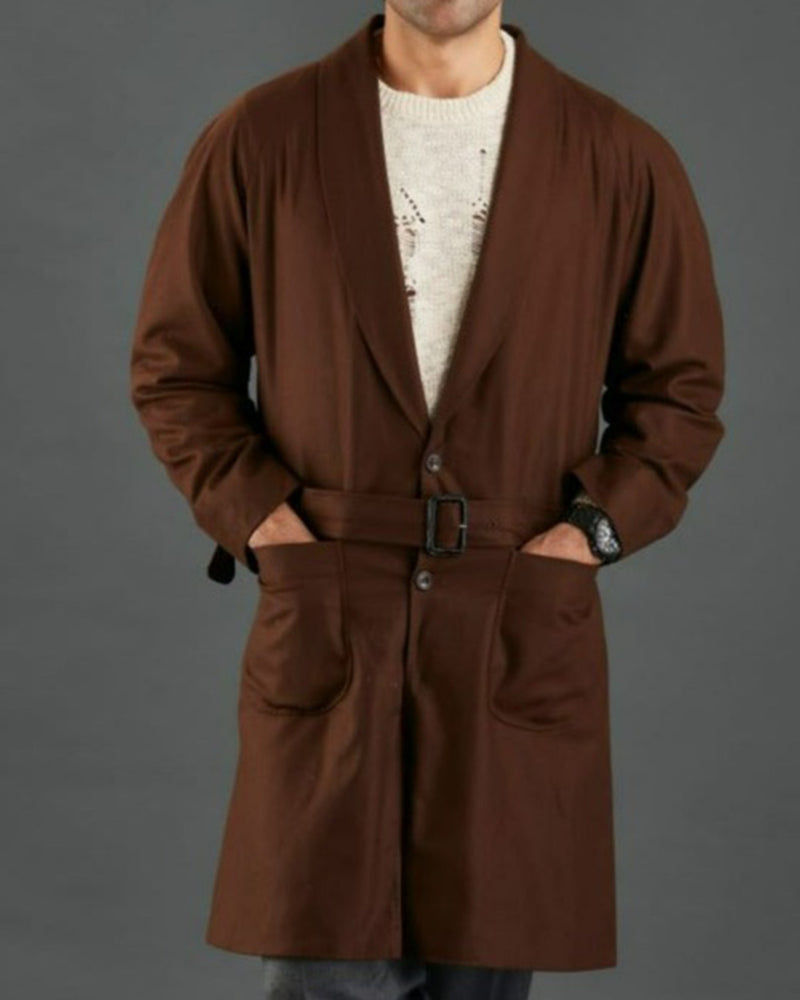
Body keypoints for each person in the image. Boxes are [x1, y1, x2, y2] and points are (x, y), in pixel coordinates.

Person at [130, 2, 726, 998]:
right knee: (322, 969)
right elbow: (176, 367)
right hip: (332, 610)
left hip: (510, 620)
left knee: (484, 973)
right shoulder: (263, 137)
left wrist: (589, 535)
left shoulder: (617, 155)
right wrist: (266, 527)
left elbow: (678, 392)